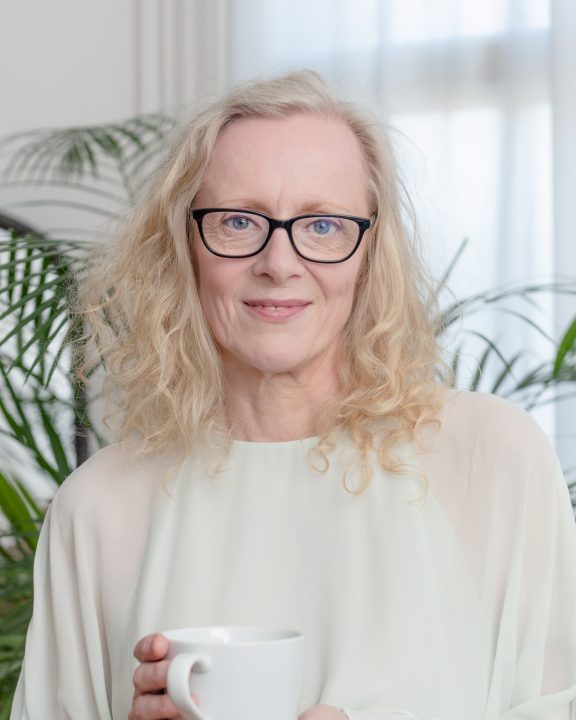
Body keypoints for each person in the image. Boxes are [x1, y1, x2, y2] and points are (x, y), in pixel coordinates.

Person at [10, 71, 576, 720]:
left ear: (371, 253)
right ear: (183, 246)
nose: (279, 263)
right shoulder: (97, 507)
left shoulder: (491, 457)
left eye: (323, 225)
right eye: (238, 221)